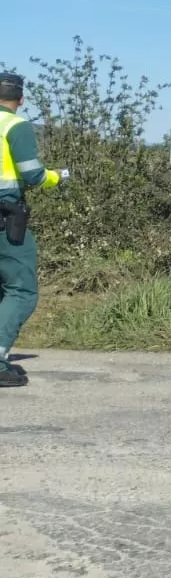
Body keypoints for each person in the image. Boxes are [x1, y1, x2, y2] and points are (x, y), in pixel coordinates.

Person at [0, 73, 68, 388]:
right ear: (21, 99)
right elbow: (33, 175)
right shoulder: (16, 126)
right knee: (21, 290)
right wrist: (59, 176)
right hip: (5, 220)